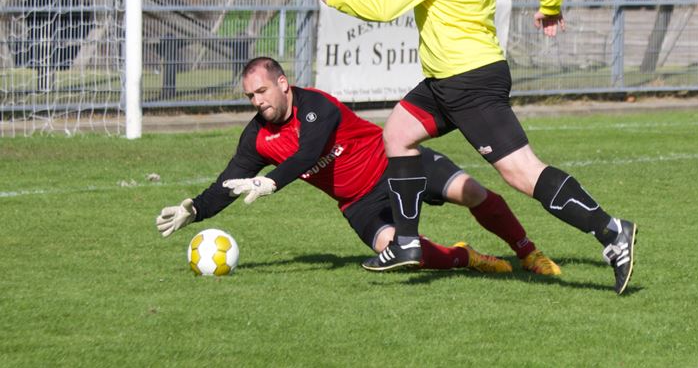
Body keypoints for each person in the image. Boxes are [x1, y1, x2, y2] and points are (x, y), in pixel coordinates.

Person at [320, 0, 638, 295]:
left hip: (467, 81)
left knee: (523, 172)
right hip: (450, 80)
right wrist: (550, 5)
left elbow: (383, 7)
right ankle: (407, 242)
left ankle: (612, 231)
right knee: (397, 133)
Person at [155, 56, 562, 276]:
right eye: (250, 96)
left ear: (282, 84)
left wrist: (272, 183)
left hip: (395, 166)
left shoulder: (317, 106)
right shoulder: (257, 136)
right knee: (396, 249)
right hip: (357, 203)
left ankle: (528, 252)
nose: (257, 101)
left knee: (470, 191)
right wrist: (196, 209)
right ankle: (466, 257)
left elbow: (307, 154)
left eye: (262, 91)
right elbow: (229, 182)